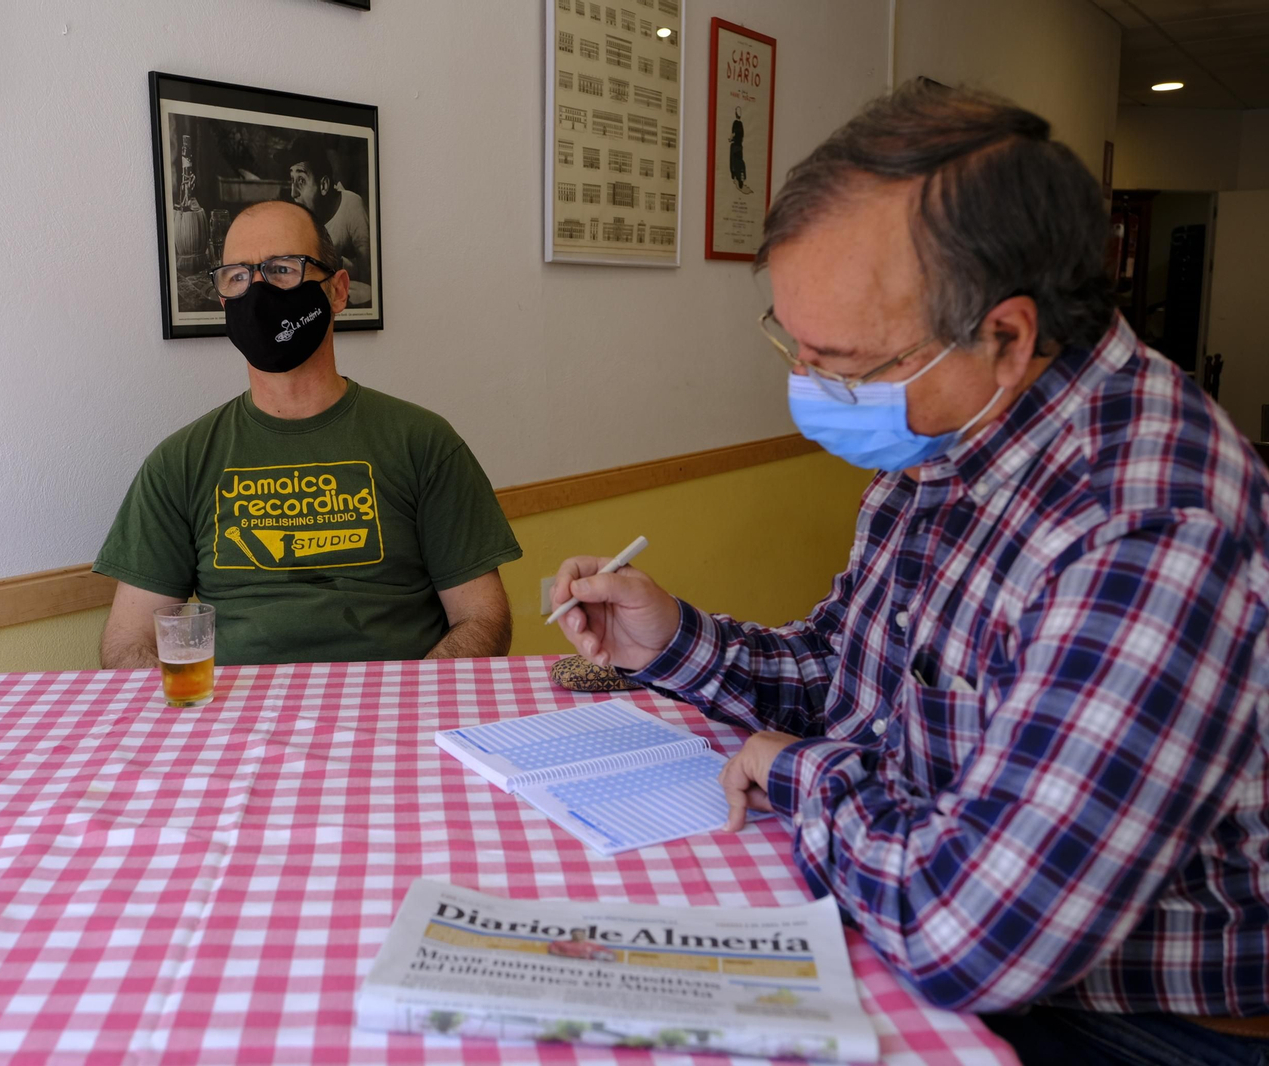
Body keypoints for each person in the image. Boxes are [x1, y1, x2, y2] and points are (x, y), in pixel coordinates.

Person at [551, 81, 1269, 1065]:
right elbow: (847, 680)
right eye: (791, 343)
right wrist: (673, 638)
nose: (804, 388)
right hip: (945, 933)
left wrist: (800, 773)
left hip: (1138, 1023)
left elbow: (976, 936)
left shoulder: (1151, 525)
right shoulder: (949, 433)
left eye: (843, 361)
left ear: (1005, 337)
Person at [96, 200, 519, 667]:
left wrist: (412, 702)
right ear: (222, 300)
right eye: (237, 276)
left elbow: (483, 617)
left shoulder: (422, 443)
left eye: (282, 269)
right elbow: (129, 640)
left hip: (394, 711)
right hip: (238, 722)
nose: (257, 292)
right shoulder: (181, 462)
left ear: (338, 292)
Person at [286, 134, 372, 303]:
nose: (293, 193)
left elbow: (368, 276)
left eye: (301, 181)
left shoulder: (352, 205)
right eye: (292, 180)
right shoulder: (301, 218)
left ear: (324, 185)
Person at [729, 107, 750, 194]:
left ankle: (735, 177)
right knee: (739, 161)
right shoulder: (741, 124)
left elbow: (733, 134)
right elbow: (742, 136)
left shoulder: (735, 123)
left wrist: (730, 139)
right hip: (740, 146)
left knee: (733, 161)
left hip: (734, 145)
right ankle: (740, 178)